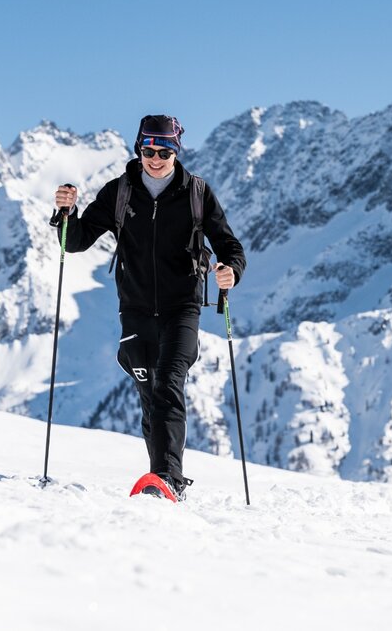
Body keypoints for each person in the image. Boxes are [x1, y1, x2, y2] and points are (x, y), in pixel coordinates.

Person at [51, 114, 245, 497]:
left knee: (169, 383)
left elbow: (229, 246)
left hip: (183, 308)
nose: (155, 158)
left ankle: (168, 479)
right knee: (150, 392)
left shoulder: (196, 193)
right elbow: (74, 242)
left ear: (176, 151)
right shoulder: (120, 192)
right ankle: (160, 476)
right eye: (147, 150)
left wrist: (231, 272)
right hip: (136, 309)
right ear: (138, 148)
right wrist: (65, 215)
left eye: (164, 151)